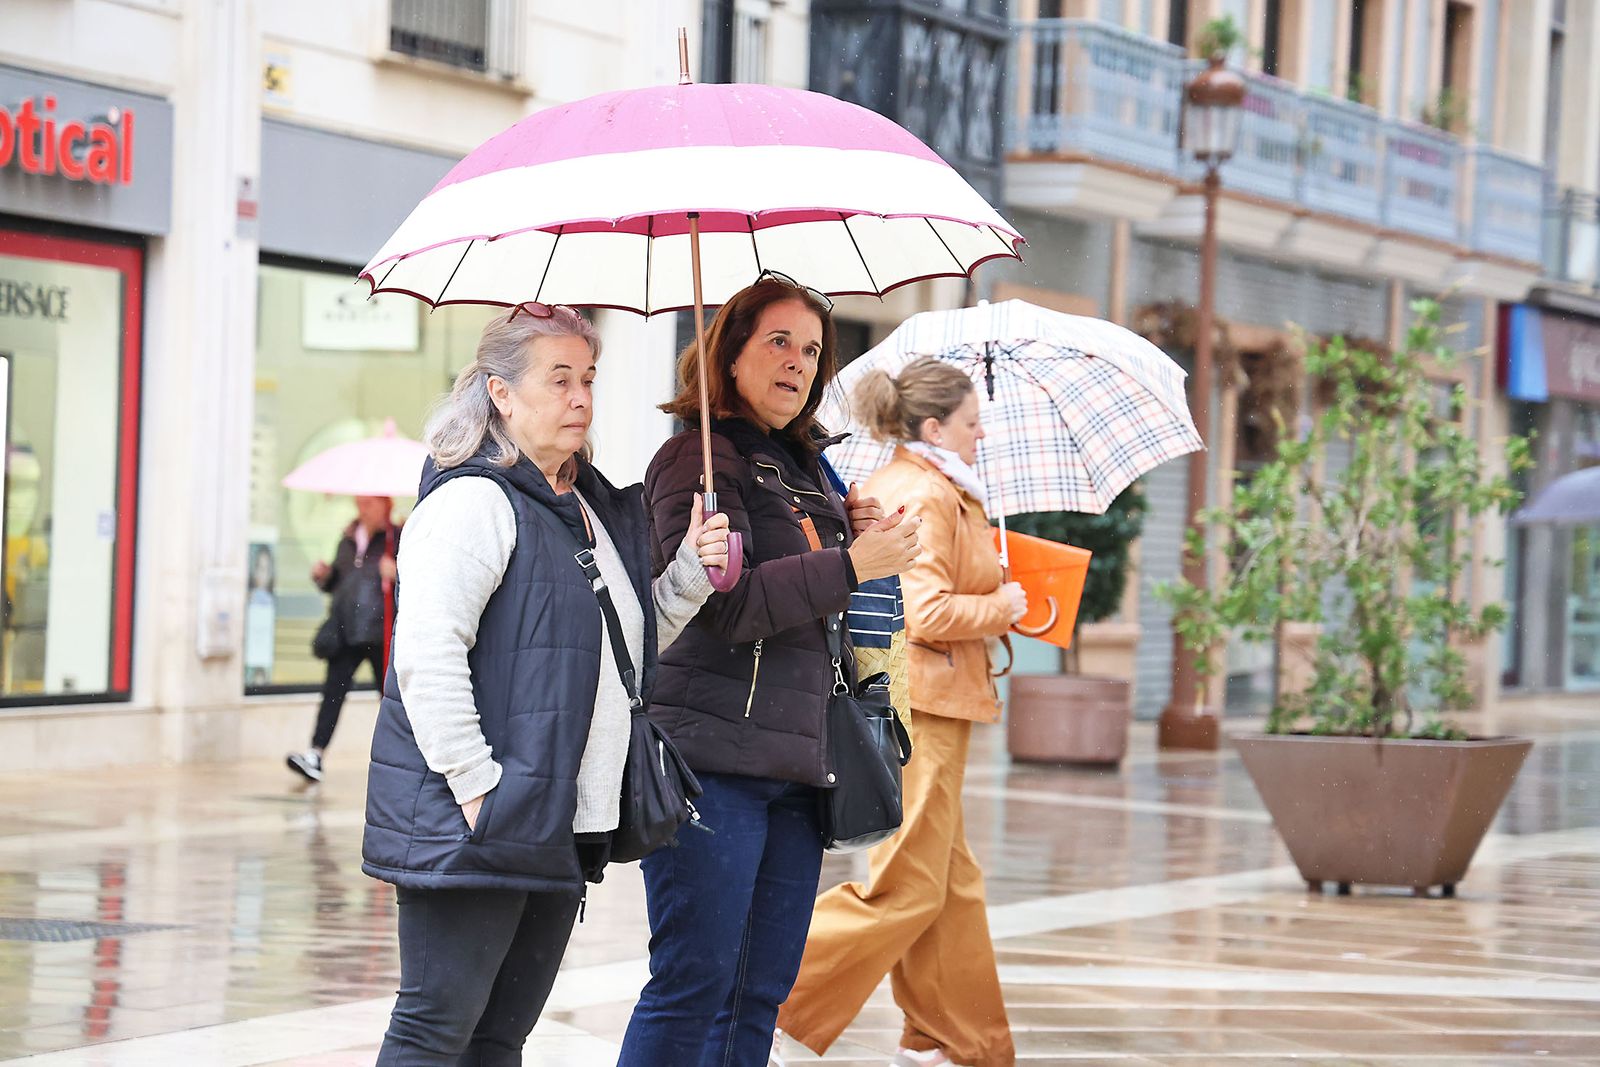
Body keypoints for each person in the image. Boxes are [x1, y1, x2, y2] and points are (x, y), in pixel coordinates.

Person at [360, 305, 732, 1065]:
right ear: (500, 391)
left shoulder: (584, 507)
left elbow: (625, 648)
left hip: (559, 822)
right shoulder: (473, 502)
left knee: (499, 1039)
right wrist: (478, 788)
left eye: (588, 378)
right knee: (435, 1032)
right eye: (558, 379)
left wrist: (691, 569)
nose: (580, 398)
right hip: (484, 819)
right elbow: (426, 656)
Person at [617, 273, 923, 1065]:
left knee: (760, 988)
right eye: (778, 341)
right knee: (694, 980)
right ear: (730, 353)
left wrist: (851, 532)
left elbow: (827, 608)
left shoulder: (815, 472)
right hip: (711, 764)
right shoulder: (693, 458)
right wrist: (851, 562)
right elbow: (725, 606)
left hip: (797, 767)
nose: (798, 363)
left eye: (813, 350)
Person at [776, 358, 1025, 1067]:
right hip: (925, 704)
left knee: (949, 882)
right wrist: (999, 608)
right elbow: (925, 608)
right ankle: (771, 989)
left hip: (937, 700)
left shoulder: (935, 487)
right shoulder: (924, 492)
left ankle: (954, 1040)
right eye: (973, 423)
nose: (982, 435)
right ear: (934, 425)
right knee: (910, 882)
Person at [287, 494, 398, 783]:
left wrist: (398, 573)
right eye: (359, 503)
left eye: (369, 503)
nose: (362, 509)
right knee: (332, 695)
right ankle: (316, 754)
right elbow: (339, 583)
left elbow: (421, 580)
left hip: (380, 631)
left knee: (389, 698)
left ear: (386, 504)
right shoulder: (348, 538)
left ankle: (402, 756)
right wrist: (324, 576)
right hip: (346, 631)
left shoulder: (396, 538)